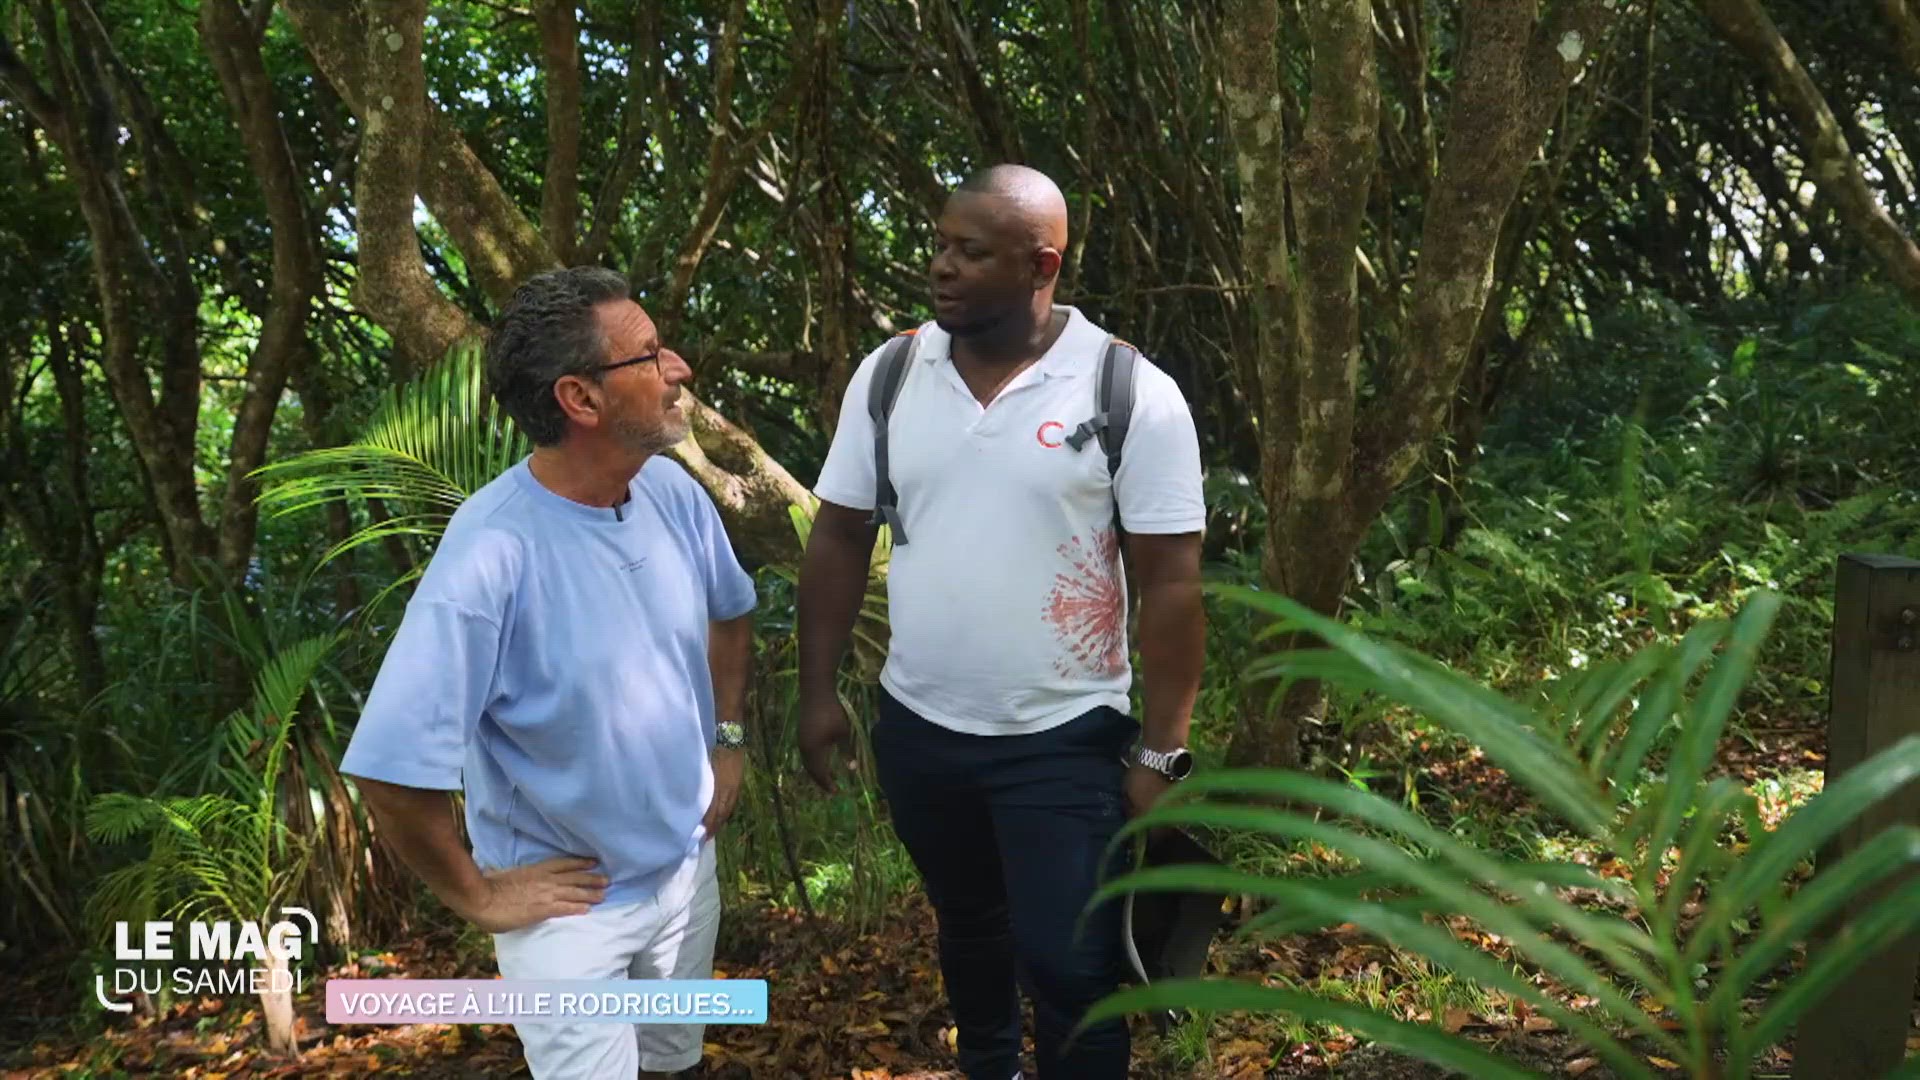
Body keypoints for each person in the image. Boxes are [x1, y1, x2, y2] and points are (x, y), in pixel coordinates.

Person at [796, 165, 1207, 1080]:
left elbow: (1173, 585)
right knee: (969, 926)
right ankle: (988, 1065)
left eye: (970, 252)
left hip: (1063, 736)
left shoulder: (1125, 390)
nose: (941, 265)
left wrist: (1162, 749)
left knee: (1073, 965)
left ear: (1040, 264)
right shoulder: (894, 372)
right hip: (920, 726)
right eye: (940, 243)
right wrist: (819, 692)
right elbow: (837, 537)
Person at [339, 266, 757, 1080]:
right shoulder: (493, 550)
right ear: (582, 399)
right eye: (650, 356)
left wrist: (729, 740)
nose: (679, 370)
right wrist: (481, 898)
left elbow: (730, 613)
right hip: (572, 912)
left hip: (682, 872)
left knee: (674, 1065)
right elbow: (389, 773)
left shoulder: (671, 493)